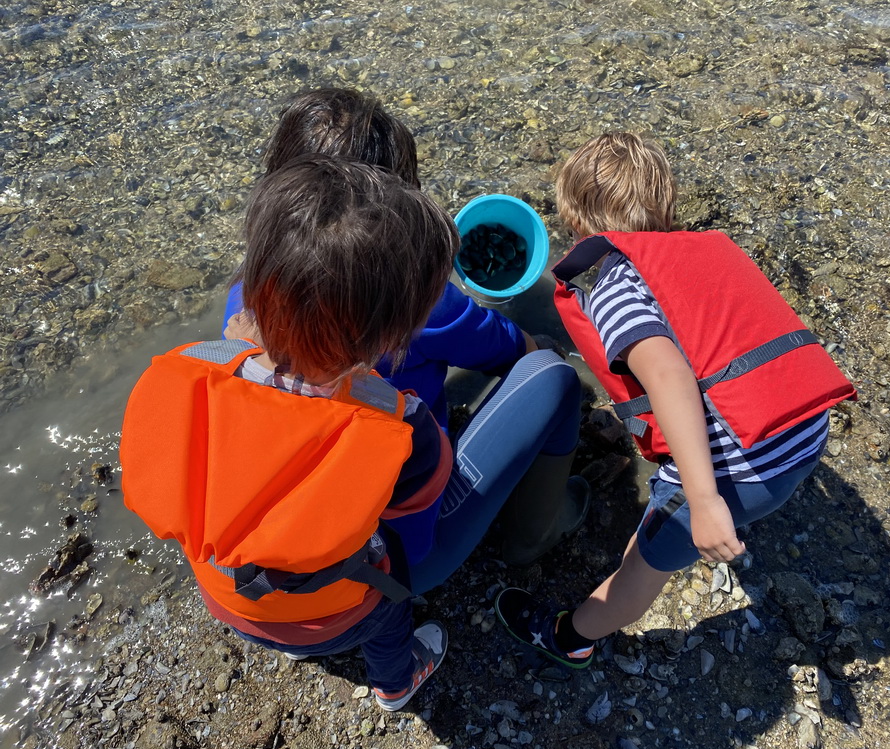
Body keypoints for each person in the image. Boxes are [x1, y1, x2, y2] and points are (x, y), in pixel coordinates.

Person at [121, 157, 588, 712]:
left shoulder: (194, 363)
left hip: (229, 599)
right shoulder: (397, 424)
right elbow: (409, 546)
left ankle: (294, 634)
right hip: (344, 613)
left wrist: (240, 347)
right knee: (389, 608)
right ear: (389, 340)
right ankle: (397, 682)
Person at [495, 132, 856, 668]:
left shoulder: (617, 290)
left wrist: (706, 502)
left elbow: (668, 377)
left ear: (577, 222)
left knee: (642, 564)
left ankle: (571, 637)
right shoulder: (706, 255)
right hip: (805, 434)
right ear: (665, 204)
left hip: (744, 472)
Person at [221, 87, 557, 566]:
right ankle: (537, 535)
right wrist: (541, 344)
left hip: (288, 564)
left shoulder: (245, 304)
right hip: (397, 561)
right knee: (554, 378)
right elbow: (508, 349)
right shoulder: (420, 305)